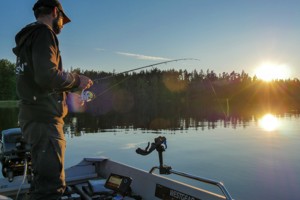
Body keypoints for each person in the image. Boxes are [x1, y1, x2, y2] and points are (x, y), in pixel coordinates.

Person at [12, 0, 93, 199]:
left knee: (42, 183)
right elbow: (46, 76)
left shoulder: (28, 38)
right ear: (55, 12)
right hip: (44, 122)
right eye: (62, 21)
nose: (62, 26)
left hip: (34, 118)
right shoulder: (43, 33)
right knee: (50, 189)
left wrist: (68, 96)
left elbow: (38, 81)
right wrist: (77, 80)